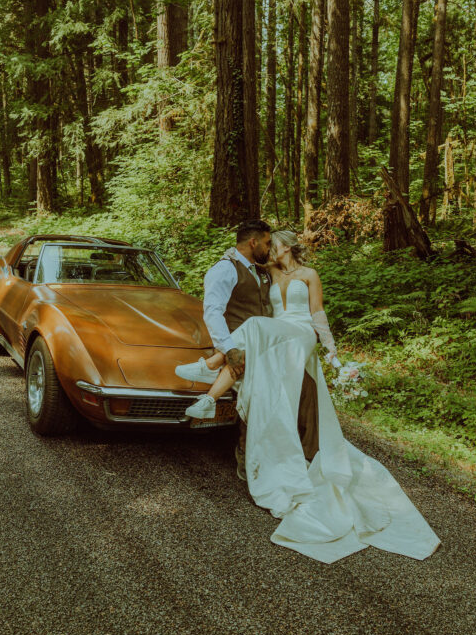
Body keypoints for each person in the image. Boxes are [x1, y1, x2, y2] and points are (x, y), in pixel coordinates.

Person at [180, 227, 441, 564]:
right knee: (260, 345)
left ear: (287, 246)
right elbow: (238, 263)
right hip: (277, 337)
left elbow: (317, 313)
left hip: (301, 334)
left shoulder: (310, 274)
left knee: (257, 328)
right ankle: (217, 396)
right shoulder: (267, 273)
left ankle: (210, 365)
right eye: (267, 244)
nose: (270, 249)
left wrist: (331, 352)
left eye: (274, 244)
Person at [175, 220, 320, 480]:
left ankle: (305, 455)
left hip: (274, 345)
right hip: (240, 348)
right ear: (253, 242)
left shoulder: (263, 270)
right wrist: (229, 350)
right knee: (255, 400)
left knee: (301, 393)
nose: (269, 247)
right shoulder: (224, 270)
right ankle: (247, 457)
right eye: (266, 242)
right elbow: (213, 313)